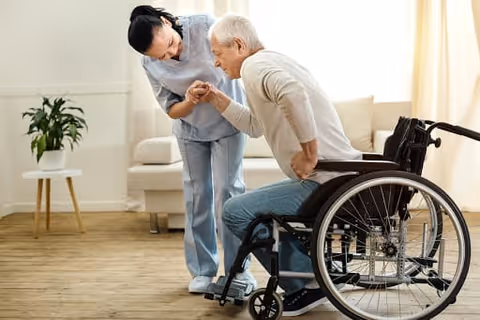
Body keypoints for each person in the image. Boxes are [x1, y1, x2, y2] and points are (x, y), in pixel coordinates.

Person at [190, 13, 362, 316]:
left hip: (325, 180)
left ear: (239, 45)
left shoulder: (256, 67)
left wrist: (309, 152)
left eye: (218, 54)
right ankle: (315, 273)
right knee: (248, 205)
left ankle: (308, 284)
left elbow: (292, 93)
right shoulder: (269, 62)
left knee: (235, 210)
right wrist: (216, 98)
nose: (216, 62)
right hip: (334, 176)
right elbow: (256, 125)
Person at [127, 6, 256, 294]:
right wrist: (191, 100)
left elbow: (238, 61)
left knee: (229, 195)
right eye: (162, 56)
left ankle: (238, 271)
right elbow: (172, 109)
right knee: (197, 198)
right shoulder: (149, 64)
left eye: (171, 45)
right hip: (190, 131)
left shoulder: (206, 27)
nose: (170, 55)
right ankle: (202, 270)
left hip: (228, 122)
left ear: (166, 22)